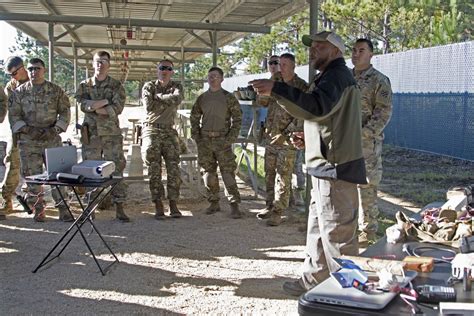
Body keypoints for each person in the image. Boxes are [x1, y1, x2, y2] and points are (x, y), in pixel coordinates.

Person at [250, 30, 367, 296]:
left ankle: (350, 294)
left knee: (337, 235)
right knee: (318, 229)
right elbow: (326, 118)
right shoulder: (329, 76)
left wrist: (277, 88)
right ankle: (314, 279)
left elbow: (316, 107)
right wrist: (310, 138)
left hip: (335, 168)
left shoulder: (336, 75)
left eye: (320, 47)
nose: (313, 51)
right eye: (312, 46)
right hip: (325, 165)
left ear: (335, 51)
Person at [9, 58, 73, 222]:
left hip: (51, 139)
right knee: (32, 177)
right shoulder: (19, 93)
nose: (33, 72)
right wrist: (28, 130)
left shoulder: (55, 90)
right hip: (29, 141)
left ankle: (63, 209)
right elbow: (14, 116)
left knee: (57, 176)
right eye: (30, 69)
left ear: (44, 70)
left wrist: (56, 129)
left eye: (37, 68)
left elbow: (65, 112)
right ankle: (38, 208)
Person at [75, 51, 130, 222]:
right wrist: (104, 103)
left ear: (109, 65)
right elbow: (82, 105)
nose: (101, 64)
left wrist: (94, 107)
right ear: (92, 64)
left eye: (104, 61)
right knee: (90, 169)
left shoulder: (115, 85)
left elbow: (117, 108)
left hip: (111, 134)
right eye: (98, 61)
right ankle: (91, 206)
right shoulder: (84, 85)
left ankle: (119, 205)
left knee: (116, 168)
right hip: (91, 135)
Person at [256, 53, 308, 226]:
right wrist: (264, 90)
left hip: (288, 140)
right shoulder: (275, 81)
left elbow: (302, 114)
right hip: (270, 136)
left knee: (283, 176)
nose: (281, 67)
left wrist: (286, 134)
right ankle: (269, 205)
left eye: (285, 64)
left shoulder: (300, 86)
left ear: (293, 66)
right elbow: (262, 103)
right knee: (269, 173)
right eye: (279, 64)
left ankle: (279, 211)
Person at [351, 38, 393, 245]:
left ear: (370, 55)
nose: (356, 54)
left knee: (366, 187)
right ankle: (347, 230)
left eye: (361, 50)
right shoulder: (344, 78)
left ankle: (367, 234)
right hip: (342, 143)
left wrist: (365, 133)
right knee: (344, 185)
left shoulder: (379, 80)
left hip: (366, 143)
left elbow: (383, 112)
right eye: (354, 50)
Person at [190, 66, 242, 219]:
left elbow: (237, 118)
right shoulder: (202, 98)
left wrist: (231, 138)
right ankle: (213, 202)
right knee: (209, 173)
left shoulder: (228, 97)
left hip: (222, 140)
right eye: (210, 76)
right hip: (205, 140)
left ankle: (234, 204)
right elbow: (194, 117)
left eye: (216, 76)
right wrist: (197, 137)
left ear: (222, 79)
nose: (212, 79)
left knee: (227, 173)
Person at [141, 59, 184, 220]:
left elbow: (177, 99)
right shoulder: (149, 86)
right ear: (157, 70)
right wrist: (167, 99)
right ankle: (158, 203)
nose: (164, 71)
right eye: (161, 68)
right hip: (151, 129)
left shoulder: (177, 86)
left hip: (169, 130)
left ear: (172, 71)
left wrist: (158, 97)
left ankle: (173, 203)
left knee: (173, 167)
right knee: (153, 167)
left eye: (168, 68)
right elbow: (148, 106)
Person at [0, 56, 29, 219]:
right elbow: (11, 111)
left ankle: (36, 198)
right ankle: (6, 199)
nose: (13, 77)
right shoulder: (11, 87)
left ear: (22, 68)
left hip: (39, 131)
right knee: (12, 162)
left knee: (42, 164)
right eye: (10, 74)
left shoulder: (36, 81)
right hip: (18, 130)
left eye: (14, 73)